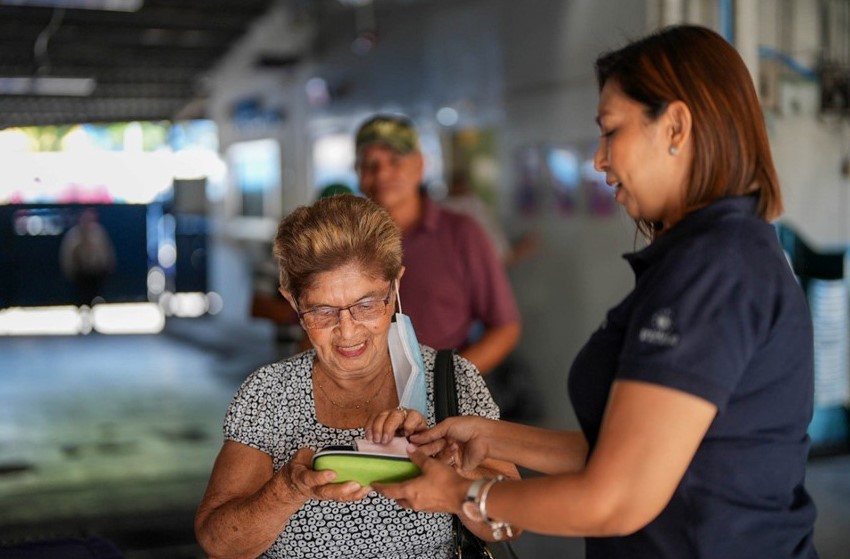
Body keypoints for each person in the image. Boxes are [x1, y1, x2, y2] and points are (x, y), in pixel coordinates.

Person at [366, 25, 819, 559]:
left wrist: (466, 494)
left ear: (675, 125)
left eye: (611, 132)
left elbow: (617, 496)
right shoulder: (706, 257)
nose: (599, 160)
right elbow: (625, 454)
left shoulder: (715, 268)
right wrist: (488, 435)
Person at [194, 195, 519, 558]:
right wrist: (288, 488)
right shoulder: (269, 394)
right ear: (292, 302)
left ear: (395, 287)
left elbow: (511, 522)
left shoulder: (452, 381)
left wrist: (450, 463)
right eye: (322, 311)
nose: (348, 332)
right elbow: (219, 543)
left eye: (366, 305)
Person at [354, 114, 521, 375]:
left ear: (419, 166)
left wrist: (444, 384)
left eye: (395, 161)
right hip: (359, 399)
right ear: (357, 172)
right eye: (370, 164)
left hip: (443, 404)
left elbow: (505, 327)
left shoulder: (461, 233)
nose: (383, 173)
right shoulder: (346, 240)